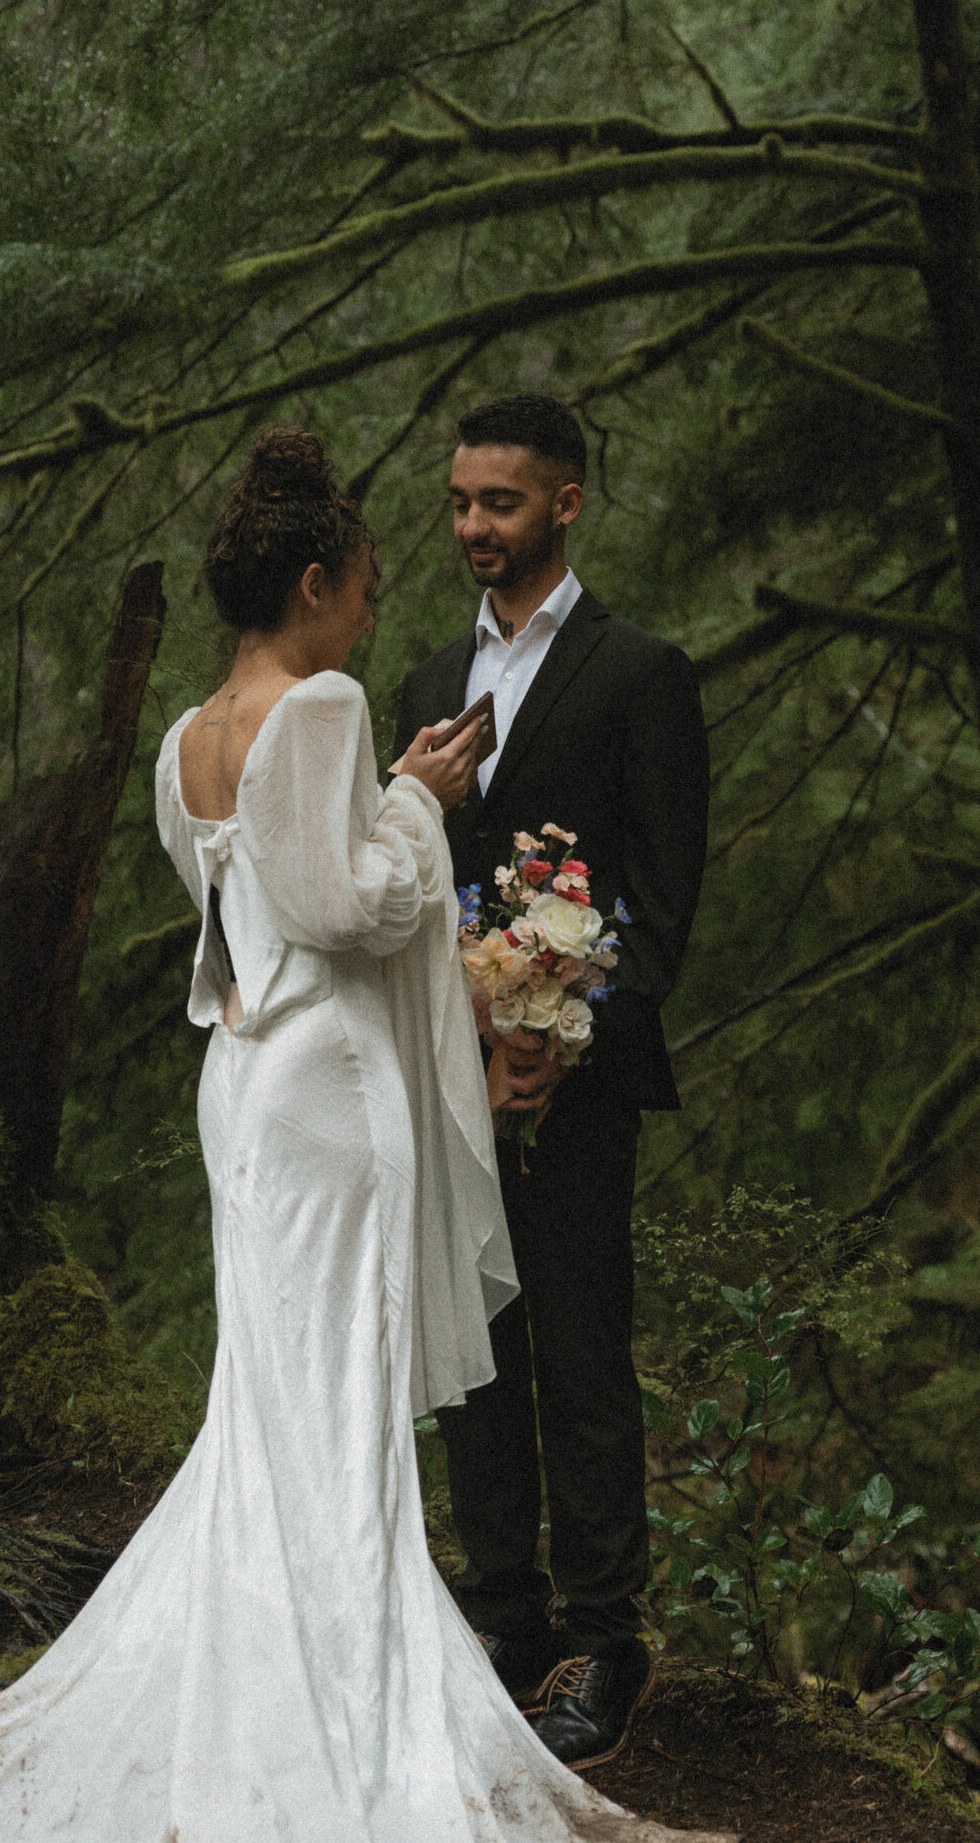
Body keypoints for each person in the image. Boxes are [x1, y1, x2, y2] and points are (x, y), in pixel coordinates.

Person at [0, 428, 727, 1842]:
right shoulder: (328, 704)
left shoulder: (187, 741)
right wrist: (417, 800)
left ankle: (325, 1651)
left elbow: (243, 913)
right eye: (362, 583)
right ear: (311, 582)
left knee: (276, 1392)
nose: (376, 605)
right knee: (339, 1389)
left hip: (248, 1076)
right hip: (329, 1088)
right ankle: (344, 1690)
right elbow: (349, 906)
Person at [392, 393, 710, 1773]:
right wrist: (471, 1025)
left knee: (581, 1351)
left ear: (565, 502)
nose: (473, 526)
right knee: (474, 1357)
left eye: (500, 503)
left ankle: (602, 1636)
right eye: (460, 502)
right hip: (455, 1074)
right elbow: (406, 891)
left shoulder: (642, 673)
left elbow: (661, 898)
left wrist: (552, 1027)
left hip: (576, 1086)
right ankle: (502, 1619)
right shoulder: (420, 685)